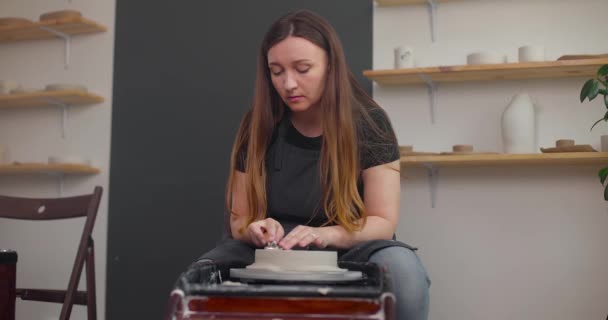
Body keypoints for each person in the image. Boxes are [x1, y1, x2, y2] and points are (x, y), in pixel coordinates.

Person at [194, 9, 430, 320]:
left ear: (330, 66)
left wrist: (327, 235)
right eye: (276, 72)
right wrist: (255, 229)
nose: (288, 83)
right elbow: (240, 219)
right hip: (272, 251)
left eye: (303, 69)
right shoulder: (258, 126)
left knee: (405, 274)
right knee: (195, 280)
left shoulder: (371, 124)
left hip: (351, 245)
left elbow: (383, 220)